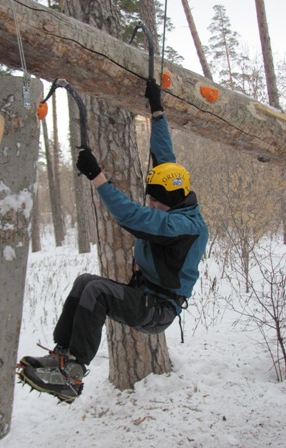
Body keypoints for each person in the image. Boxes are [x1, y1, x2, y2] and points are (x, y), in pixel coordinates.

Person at [17, 79, 209, 403]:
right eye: (150, 199)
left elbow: (133, 218)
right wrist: (157, 110)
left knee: (97, 291)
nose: (150, 204)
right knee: (84, 282)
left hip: (159, 308)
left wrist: (98, 177)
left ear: (173, 201)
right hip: (144, 294)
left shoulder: (183, 226)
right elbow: (165, 157)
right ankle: (61, 357)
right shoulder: (174, 197)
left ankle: (72, 376)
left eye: (156, 202)